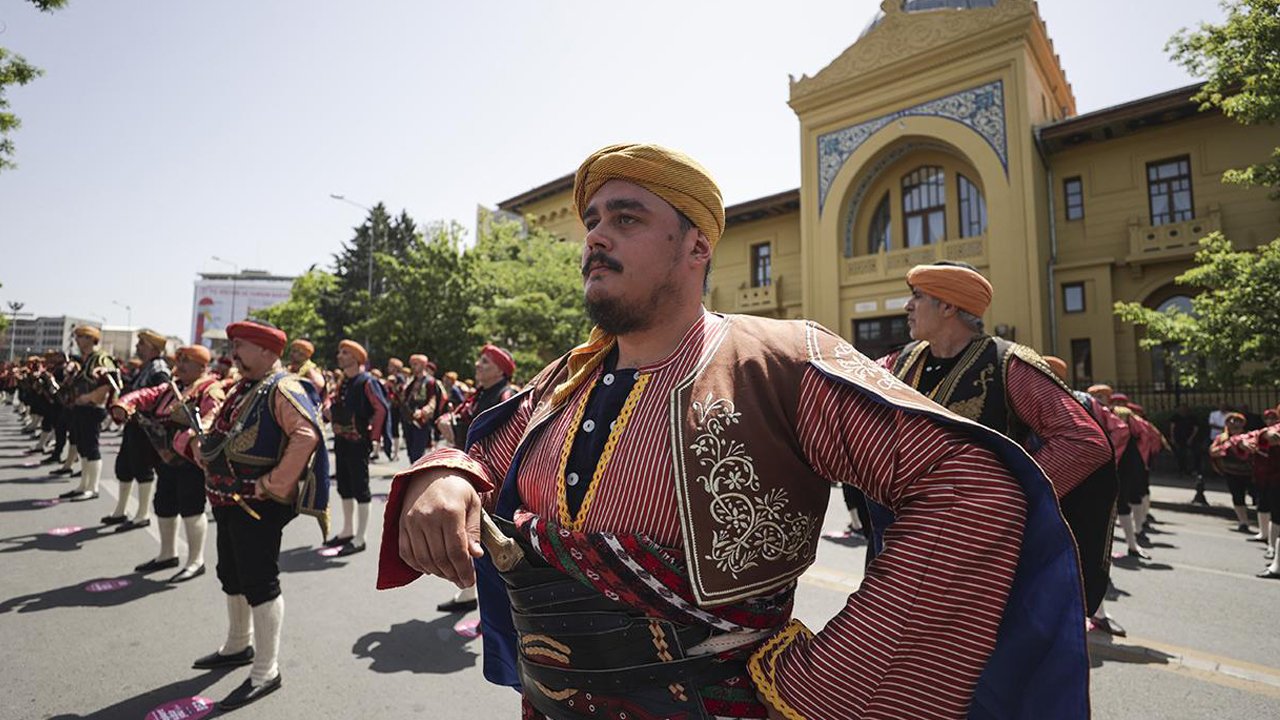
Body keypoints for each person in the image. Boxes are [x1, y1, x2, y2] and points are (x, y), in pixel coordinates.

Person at [377, 143, 1090, 719]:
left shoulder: (778, 360)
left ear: (696, 246)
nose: (594, 234)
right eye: (592, 219)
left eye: (624, 218)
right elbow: (478, 455)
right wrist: (441, 474)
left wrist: (828, 689)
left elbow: (974, 492)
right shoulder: (564, 377)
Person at [880, 261, 1114, 619]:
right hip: (899, 543)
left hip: (974, 556)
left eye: (917, 296)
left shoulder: (1008, 363)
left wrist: (1001, 498)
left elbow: (1083, 441)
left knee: (968, 660)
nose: (907, 306)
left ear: (948, 306)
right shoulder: (899, 362)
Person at [190, 320, 329, 711]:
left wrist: (274, 484)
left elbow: (306, 435)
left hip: (257, 502)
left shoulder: (284, 386)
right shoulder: (242, 385)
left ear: (268, 352)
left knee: (259, 580)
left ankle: (266, 670)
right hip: (228, 499)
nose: (235, 353)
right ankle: (238, 645)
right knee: (231, 573)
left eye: (242, 346)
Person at [111, 344, 224, 582]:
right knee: (164, 503)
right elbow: (146, 395)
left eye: (186, 361)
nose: (179, 366)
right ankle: (168, 554)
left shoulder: (209, 389)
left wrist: (194, 435)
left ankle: (196, 560)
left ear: (201, 367)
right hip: (166, 457)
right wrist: (125, 404)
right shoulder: (171, 387)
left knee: (191, 508)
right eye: (178, 360)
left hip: (190, 459)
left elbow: (212, 416)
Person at [323, 339, 389, 556]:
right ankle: (347, 531)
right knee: (344, 486)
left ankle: (361, 538)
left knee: (360, 488)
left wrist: (375, 438)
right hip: (341, 439)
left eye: (345, 352)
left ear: (356, 357)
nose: (339, 355)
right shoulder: (343, 381)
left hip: (359, 441)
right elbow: (334, 402)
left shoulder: (367, 382)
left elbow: (380, 409)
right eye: (340, 352)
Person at [103, 329, 171, 531]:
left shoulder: (159, 369)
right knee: (124, 467)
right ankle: (121, 510)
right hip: (134, 426)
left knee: (142, 469)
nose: (137, 347)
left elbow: (161, 395)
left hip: (145, 429)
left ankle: (142, 514)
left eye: (141, 344)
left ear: (153, 347)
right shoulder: (146, 367)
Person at [57, 326, 119, 502]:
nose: (77, 340)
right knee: (83, 447)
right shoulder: (86, 359)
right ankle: (83, 485)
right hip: (81, 408)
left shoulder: (101, 358)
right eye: (76, 337)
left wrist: (89, 397)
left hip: (92, 408)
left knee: (91, 448)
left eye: (82, 337)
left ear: (93, 339)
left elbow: (108, 384)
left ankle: (93, 487)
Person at [1210, 413, 1256, 533]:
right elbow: (1212, 451)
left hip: (1250, 472)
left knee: (1258, 496)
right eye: (1230, 421)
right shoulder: (1221, 438)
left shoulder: (1249, 436)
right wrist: (1225, 448)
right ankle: (1243, 522)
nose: (1233, 423)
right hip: (1231, 472)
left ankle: (1265, 522)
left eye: (1237, 421)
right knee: (1237, 496)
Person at [400, 354, 446, 463]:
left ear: (423, 365)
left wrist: (424, 411)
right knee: (410, 451)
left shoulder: (430, 382)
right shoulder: (411, 381)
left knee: (417, 452)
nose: (413, 367)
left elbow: (433, 400)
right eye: (412, 364)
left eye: (416, 364)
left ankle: (416, 476)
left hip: (421, 421)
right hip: (409, 419)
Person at [287, 338, 326, 406]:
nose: (291, 354)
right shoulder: (289, 368)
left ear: (304, 355)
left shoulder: (310, 369)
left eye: (295, 351)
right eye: (292, 350)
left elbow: (319, 385)